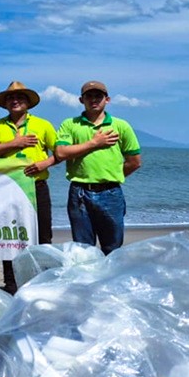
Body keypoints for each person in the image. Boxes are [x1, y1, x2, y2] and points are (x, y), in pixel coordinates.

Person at [0, 81, 58, 294]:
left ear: (28, 102)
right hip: (6, 191)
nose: (15, 101)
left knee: (43, 238)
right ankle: (12, 286)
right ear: (5, 104)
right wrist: (15, 143)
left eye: (20, 97)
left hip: (37, 187)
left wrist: (45, 163)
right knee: (8, 239)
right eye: (10, 98)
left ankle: (44, 284)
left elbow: (61, 152)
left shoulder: (43, 125)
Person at [55, 81, 142, 254]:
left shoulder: (121, 126)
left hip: (111, 193)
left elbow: (135, 162)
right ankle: (88, 281)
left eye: (98, 96)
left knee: (113, 247)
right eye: (89, 96)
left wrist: (111, 176)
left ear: (107, 99)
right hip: (79, 193)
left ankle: (110, 281)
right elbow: (61, 153)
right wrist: (94, 143)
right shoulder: (70, 124)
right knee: (83, 248)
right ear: (81, 100)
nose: (94, 99)